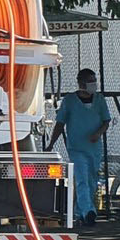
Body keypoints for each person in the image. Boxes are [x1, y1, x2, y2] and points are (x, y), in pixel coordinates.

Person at [48, 68, 110, 226]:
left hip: (94, 149)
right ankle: (88, 211)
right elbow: (60, 123)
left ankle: (80, 211)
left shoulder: (99, 100)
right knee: (81, 177)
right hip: (77, 147)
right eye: (90, 81)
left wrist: (98, 133)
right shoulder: (70, 101)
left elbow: (106, 121)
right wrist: (51, 144)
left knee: (91, 180)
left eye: (94, 81)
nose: (93, 84)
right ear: (81, 83)